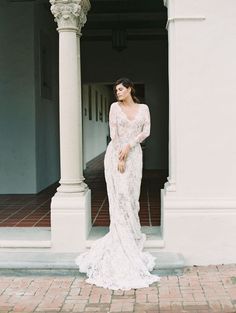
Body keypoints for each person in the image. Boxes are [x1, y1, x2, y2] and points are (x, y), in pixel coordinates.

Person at [75, 77, 161, 290]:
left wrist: (130, 146)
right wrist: (120, 154)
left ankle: (132, 231)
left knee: (132, 194)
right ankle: (121, 234)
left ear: (130, 89)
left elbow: (146, 131)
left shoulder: (144, 108)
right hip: (116, 155)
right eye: (115, 90)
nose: (118, 93)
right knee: (120, 194)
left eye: (121, 89)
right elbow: (113, 132)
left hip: (134, 155)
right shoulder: (114, 107)